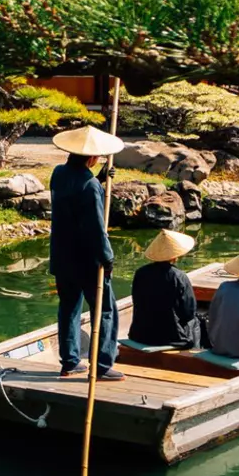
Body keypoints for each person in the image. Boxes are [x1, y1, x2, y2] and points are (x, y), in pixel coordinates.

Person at [49, 124, 127, 381]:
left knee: (69, 308)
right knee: (105, 311)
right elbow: (95, 227)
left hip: (62, 257)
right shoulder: (91, 186)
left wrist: (101, 178)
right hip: (87, 260)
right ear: (92, 158)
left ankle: (70, 362)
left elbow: (74, 193)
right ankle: (102, 365)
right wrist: (108, 257)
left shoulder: (58, 174)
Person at [127, 229, 201, 349]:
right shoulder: (179, 276)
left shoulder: (140, 273)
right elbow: (189, 312)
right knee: (195, 322)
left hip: (139, 334)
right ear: (175, 255)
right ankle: (193, 355)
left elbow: (137, 302)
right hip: (172, 338)